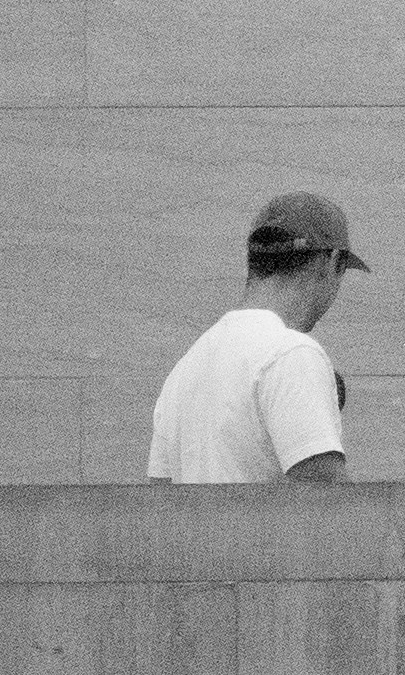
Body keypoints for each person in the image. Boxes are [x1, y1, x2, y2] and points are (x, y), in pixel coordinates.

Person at [147, 190, 369, 484]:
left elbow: (157, 499)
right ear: (332, 263)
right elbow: (330, 506)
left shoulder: (184, 370)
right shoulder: (291, 354)